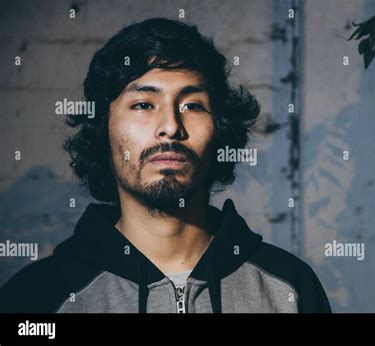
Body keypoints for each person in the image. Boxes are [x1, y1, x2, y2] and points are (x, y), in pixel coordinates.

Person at [0, 18, 331, 313]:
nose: (171, 126)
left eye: (192, 105)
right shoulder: (38, 297)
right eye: (143, 104)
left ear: (220, 129)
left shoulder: (291, 289)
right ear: (103, 129)